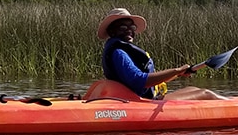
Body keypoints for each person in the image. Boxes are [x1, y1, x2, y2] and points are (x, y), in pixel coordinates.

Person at [97, 7, 226, 100]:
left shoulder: (119, 50)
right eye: (123, 27)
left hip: (139, 98)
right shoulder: (119, 53)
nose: (129, 31)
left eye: (132, 27)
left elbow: (145, 80)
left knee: (193, 90)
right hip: (139, 103)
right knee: (206, 94)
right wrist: (177, 70)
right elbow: (140, 81)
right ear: (112, 32)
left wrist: (178, 73)